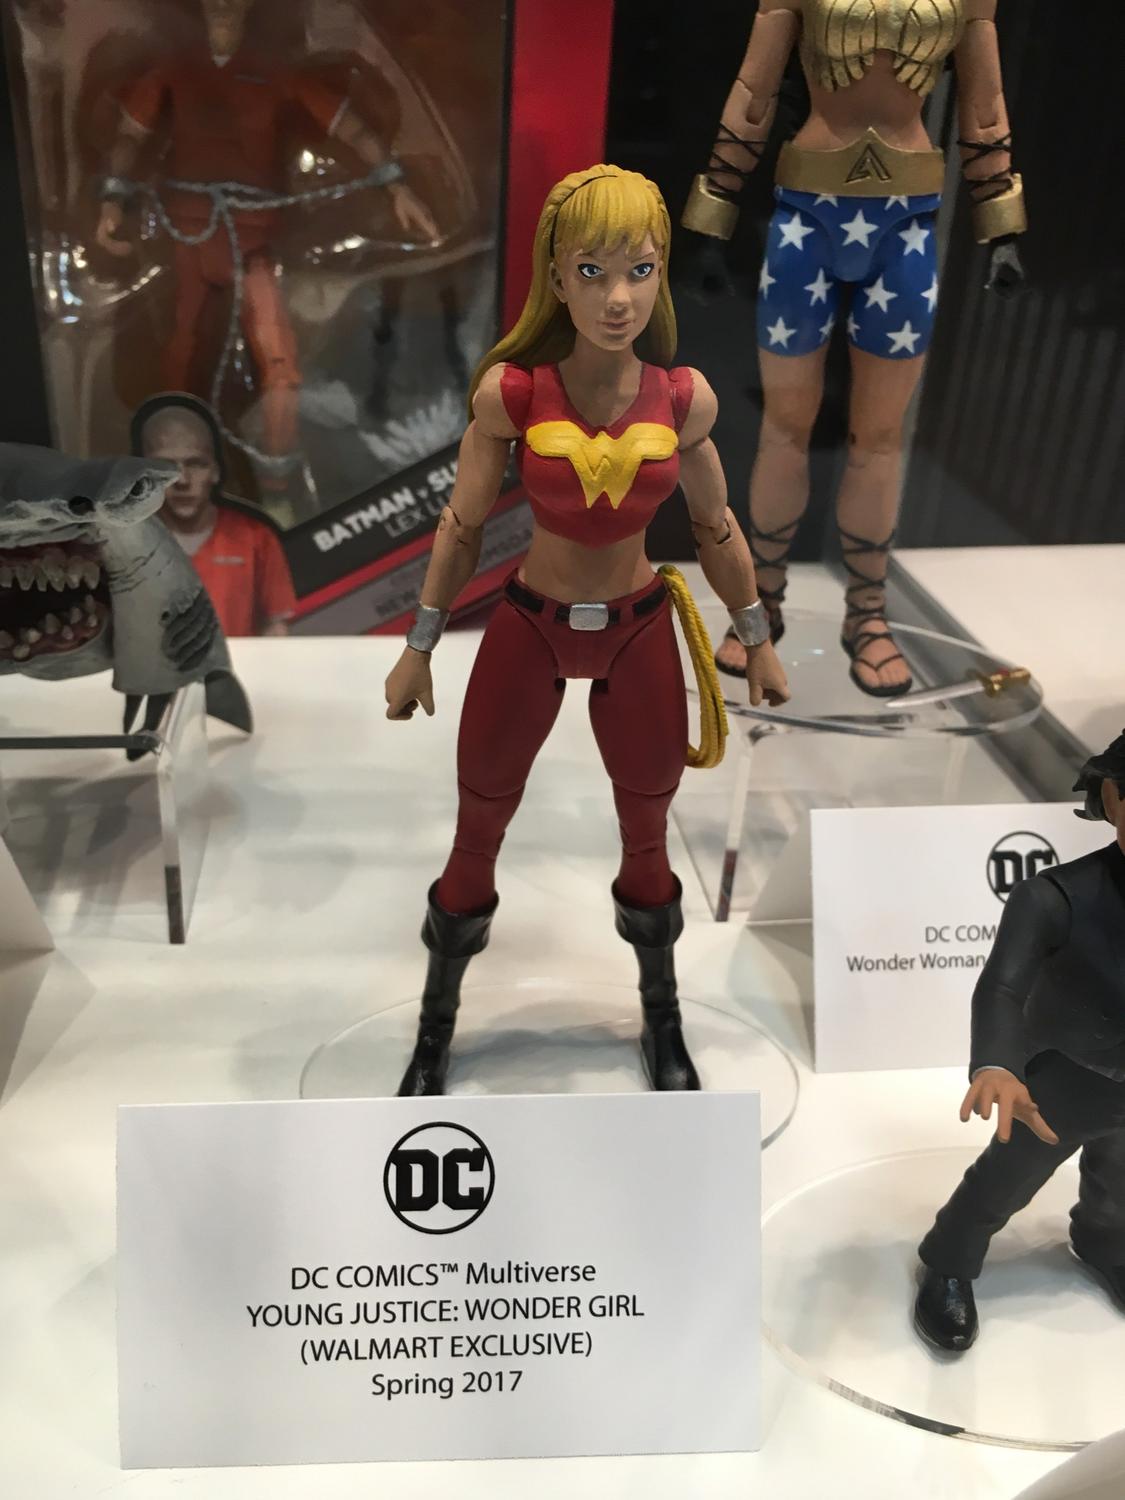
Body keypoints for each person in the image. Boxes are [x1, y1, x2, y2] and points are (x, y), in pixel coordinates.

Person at [384, 165, 790, 1098]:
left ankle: (661, 1015)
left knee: (646, 831)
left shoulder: (682, 400)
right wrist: (419, 644)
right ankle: (435, 1026)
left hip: (637, 629)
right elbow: (461, 525)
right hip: (530, 625)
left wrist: (756, 635)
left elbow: (716, 528)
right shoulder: (513, 395)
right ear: (556, 278)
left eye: (639, 271)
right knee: (478, 827)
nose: (618, 298)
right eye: (593, 272)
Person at [682, 0, 1026, 696]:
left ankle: (867, 613)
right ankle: (762, 600)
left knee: (880, 436)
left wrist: (1002, 225)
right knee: (785, 426)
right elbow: (754, 91)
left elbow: (984, 106)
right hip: (805, 215)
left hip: (904, 221)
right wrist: (714, 206)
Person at [95, 0, 437, 478]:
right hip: (190, 232)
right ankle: (171, 468)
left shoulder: (278, 73)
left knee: (278, 357)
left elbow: (353, 128)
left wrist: (396, 186)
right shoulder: (174, 70)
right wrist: (112, 202)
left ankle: (278, 468)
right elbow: (129, 138)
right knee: (180, 348)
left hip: (255, 239)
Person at [914, 731, 1125, 1352]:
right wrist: (998, 1065)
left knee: (1121, 1183)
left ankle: (1105, 1243)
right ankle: (949, 1258)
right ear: (1113, 798)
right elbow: (1001, 988)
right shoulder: (1054, 897)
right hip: (1065, 1079)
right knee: (1008, 1176)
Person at [132, 392, 297, 638]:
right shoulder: (120, 546)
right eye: (165, 466)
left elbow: (277, 628)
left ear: (216, 472)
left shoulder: (257, 540)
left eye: (196, 464)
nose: (182, 480)